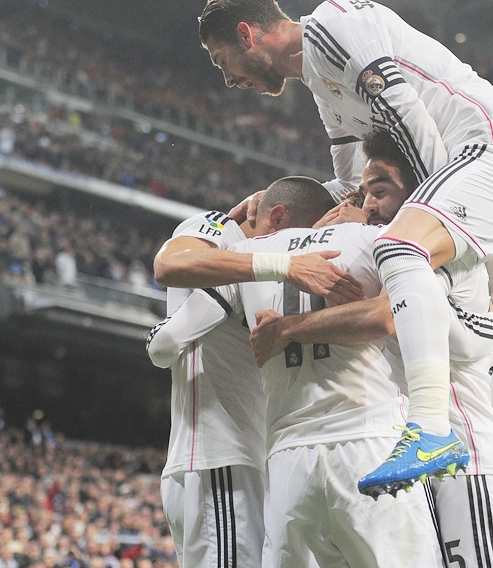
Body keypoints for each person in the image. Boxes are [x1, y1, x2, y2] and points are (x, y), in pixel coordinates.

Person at [198, 0, 493, 494]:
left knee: (399, 251)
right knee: (464, 329)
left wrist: (421, 218)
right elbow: (350, 188)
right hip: (489, 182)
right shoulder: (325, 89)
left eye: (221, 61)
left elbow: (411, 120)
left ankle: (430, 429)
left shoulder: (332, 23)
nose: (229, 79)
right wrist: (273, 197)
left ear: (246, 33)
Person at [251, 131, 493, 550]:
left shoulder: (435, 253)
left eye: (379, 191)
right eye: (364, 195)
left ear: (420, 195)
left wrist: (286, 329)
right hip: (421, 460)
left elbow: (394, 321)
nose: (368, 206)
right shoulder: (385, 255)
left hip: (470, 462)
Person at [152, 180, 450, 567]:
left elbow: (167, 334)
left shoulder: (245, 253)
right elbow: (386, 315)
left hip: (289, 458)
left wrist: (276, 326)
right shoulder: (379, 239)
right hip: (367, 438)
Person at [147, 176, 336, 567]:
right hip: (220, 456)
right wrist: (279, 265)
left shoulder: (248, 260)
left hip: (235, 456)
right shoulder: (220, 231)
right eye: (300, 238)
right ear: (278, 218)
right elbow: (164, 336)